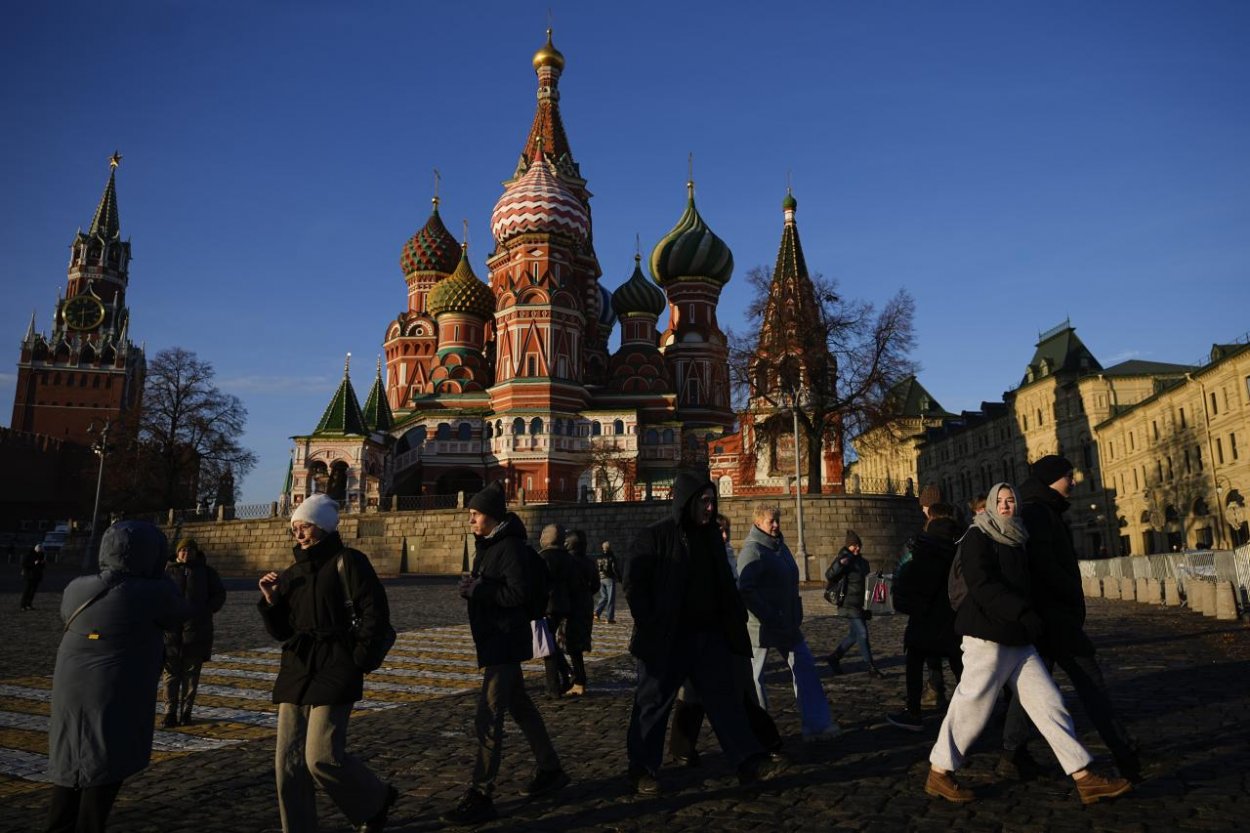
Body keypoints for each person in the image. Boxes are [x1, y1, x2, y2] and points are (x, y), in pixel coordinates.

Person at [924, 482, 1131, 806]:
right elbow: (981, 584)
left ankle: (1083, 775)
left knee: (1049, 704)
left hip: (1018, 638)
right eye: (1001, 501)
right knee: (972, 705)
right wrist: (1022, 612)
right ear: (992, 504)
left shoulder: (1018, 537)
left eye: (1011, 500)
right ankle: (939, 771)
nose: (1006, 506)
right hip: (987, 636)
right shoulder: (979, 535)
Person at [623, 471, 783, 795]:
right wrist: (652, 622)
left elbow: (724, 584)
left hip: (708, 636)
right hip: (667, 637)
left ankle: (748, 761)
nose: (710, 508)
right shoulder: (655, 536)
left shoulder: (710, 538)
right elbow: (634, 585)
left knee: (725, 701)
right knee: (652, 705)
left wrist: (732, 621)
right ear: (687, 501)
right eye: (704, 501)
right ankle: (641, 769)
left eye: (713, 501)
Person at [258, 494, 398, 833]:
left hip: (336, 665)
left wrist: (359, 659)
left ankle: (375, 800)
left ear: (321, 525)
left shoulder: (348, 561)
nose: (298, 534)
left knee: (321, 756)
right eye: (294, 529)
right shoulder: (293, 573)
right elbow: (283, 631)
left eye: (304, 527)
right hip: (298, 667)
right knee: (288, 765)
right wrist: (272, 602)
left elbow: (374, 612)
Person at [998, 455, 1142, 782]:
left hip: (1048, 616)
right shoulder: (1038, 511)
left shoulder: (1041, 508)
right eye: (1068, 476)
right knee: (1091, 684)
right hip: (1055, 616)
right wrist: (1068, 592)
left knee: (1031, 690)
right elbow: (1043, 565)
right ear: (1052, 479)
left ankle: (1011, 754)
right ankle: (1123, 752)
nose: (1073, 481)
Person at [46, 520, 190, 833]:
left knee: (71, 760)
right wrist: (162, 576)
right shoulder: (152, 592)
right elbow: (179, 613)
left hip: (71, 685)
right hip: (113, 688)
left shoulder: (77, 587)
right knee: (105, 764)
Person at [441, 483, 567, 826]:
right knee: (521, 707)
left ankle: (482, 793)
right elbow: (499, 589)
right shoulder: (492, 545)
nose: (471, 520)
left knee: (489, 717)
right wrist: (473, 590)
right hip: (497, 639)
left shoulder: (507, 547)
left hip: (504, 641)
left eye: (475, 514)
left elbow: (517, 594)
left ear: (492, 515)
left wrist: (479, 588)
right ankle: (550, 768)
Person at [668, 513, 783, 767]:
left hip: (730, 630)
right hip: (702, 632)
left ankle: (768, 742)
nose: (723, 535)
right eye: (719, 530)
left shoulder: (728, 554)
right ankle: (682, 748)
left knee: (742, 689)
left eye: (726, 530)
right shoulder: (695, 556)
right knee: (692, 695)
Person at [738, 502, 841, 741]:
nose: (775, 525)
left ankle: (817, 724)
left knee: (805, 667)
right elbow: (746, 590)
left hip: (787, 623)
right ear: (758, 523)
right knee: (754, 677)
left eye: (776, 520)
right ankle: (760, 733)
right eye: (770, 521)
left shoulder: (780, 547)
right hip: (761, 627)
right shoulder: (753, 550)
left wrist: (793, 611)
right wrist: (769, 614)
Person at [886, 503, 964, 731]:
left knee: (915, 663)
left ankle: (914, 712)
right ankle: (972, 709)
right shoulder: (960, 547)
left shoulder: (924, 550)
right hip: (952, 620)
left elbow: (907, 584)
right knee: (959, 665)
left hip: (924, 618)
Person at [161, 537, 227, 727]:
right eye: (182, 550)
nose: (186, 554)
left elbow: (219, 594)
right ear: (177, 552)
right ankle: (169, 712)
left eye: (190, 550)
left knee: (191, 676)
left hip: (197, 630)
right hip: (171, 631)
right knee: (170, 675)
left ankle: (186, 712)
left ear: (196, 553)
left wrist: (206, 610)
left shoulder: (207, 573)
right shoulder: (166, 572)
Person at [824, 530, 885, 678]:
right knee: (863, 634)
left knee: (854, 635)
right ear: (848, 546)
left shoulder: (863, 562)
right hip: (848, 603)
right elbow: (830, 575)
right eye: (853, 545)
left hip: (860, 604)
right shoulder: (843, 559)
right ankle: (871, 667)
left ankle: (834, 658)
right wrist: (840, 564)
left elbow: (867, 581)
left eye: (858, 545)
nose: (856, 548)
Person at [537, 523, 574, 699]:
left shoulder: (543, 557)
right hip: (563, 604)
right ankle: (566, 674)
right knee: (550, 642)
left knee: (547, 647)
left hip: (547, 605)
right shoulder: (568, 557)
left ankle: (553, 686)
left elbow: (538, 583)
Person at [561, 529, 598, 696]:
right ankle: (577, 677)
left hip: (571, 605)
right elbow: (596, 586)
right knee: (577, 644)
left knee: (569, 643)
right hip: (586, 604)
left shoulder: (568, 561)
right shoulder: (590, 562)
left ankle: (578, 680)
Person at [594, 540, 618, 623]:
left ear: (603, 548)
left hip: (601, 578)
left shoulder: (599, 557)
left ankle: (597, 612)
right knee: (611, 599)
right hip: (609, 579)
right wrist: (619, 577)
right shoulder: (611, 556)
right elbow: (614, 568)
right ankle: (609, 618)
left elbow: (597, 568)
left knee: (604, 597)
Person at [20, 543, 47, 610]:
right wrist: (34, 563)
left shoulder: (41, 555)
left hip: (37, 576)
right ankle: (23, 605)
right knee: (27, 591)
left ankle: (29, 604)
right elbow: (24, 564)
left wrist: (42, 563)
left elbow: (42, 567)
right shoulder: (29, 555)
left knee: (32, 591)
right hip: (29, 575)